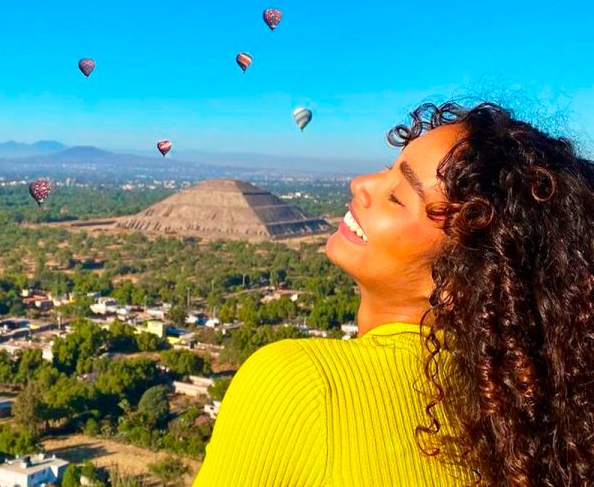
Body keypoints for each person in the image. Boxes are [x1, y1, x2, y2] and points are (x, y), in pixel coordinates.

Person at [193, 102, 594, 486]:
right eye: (387, 171)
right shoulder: (529, 410)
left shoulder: (303, 382)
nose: (360, 184)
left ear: (456, 283)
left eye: (397, 197)